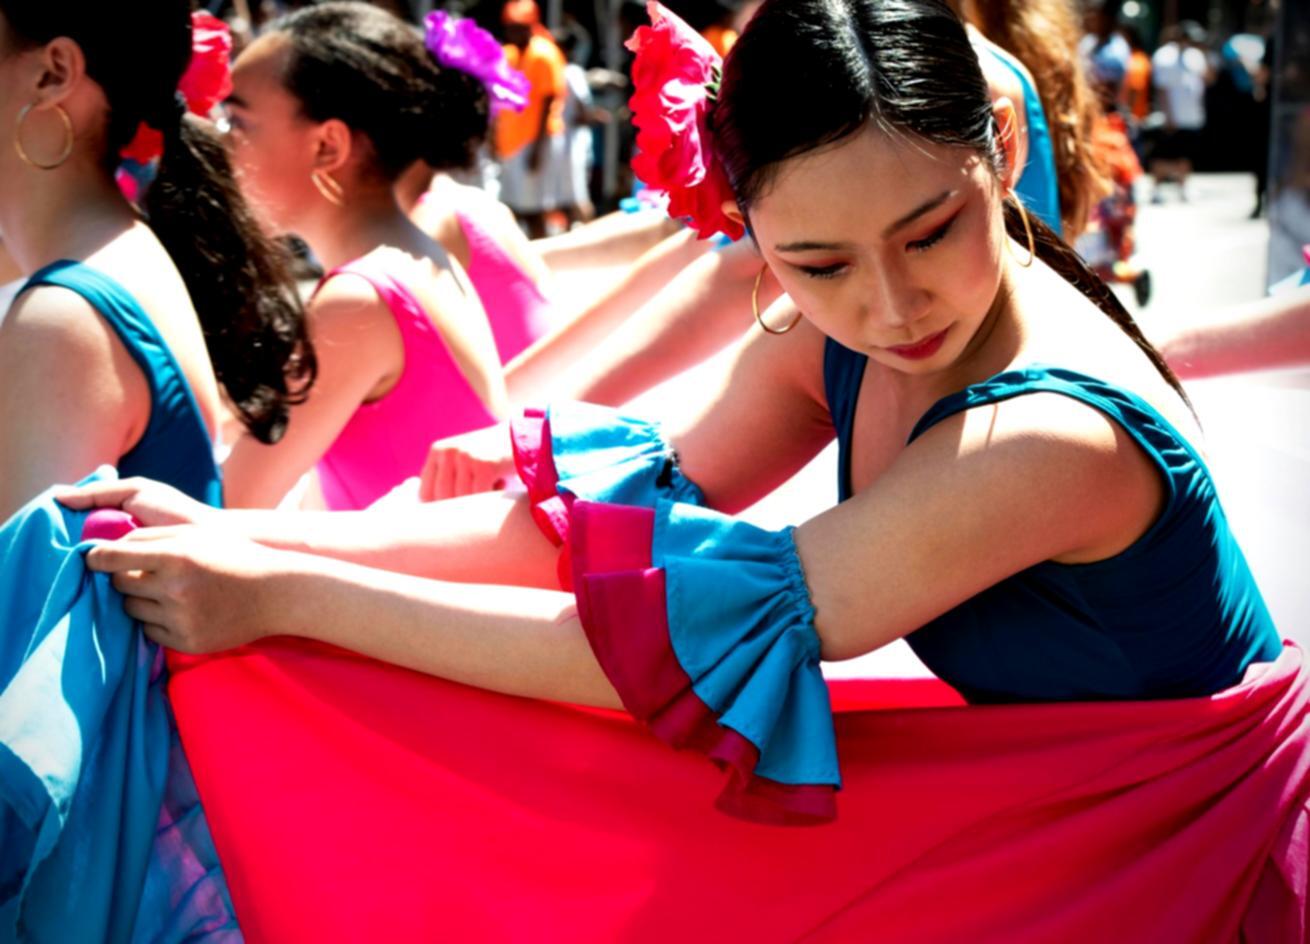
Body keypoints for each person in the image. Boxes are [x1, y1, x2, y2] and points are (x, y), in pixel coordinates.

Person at [61, 0, 1303, 937]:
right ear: (746, 234)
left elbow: (643, 649)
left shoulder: (1040, 441)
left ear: (1004, 148)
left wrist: (274, 593)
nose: (886, 301)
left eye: (932, 228)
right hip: (1070, 815)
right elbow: (597, 525)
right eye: (816, 260)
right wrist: (250, 537)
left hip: (1204, 855)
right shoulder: (832, 333)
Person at [0, 2, 312, 937]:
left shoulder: (63, 319)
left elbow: (11, 637)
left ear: (55, 73)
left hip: (91, 870)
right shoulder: (116, 259)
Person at [216, 2, 509, 510]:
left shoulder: (359, 301)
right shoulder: (417, 259)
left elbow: (222, 510)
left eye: (238, 123)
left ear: (328, 146)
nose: (222, 145)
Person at [496, 0, 567, 237]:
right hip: (511, 145)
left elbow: (549, 103)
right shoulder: (510, 53)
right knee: (513, 209)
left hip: (534, 143)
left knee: (534, 211)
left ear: (530, 27)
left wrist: (538, 148)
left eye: (517, 27)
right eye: (509, 27)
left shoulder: (544, 54)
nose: (511, 32)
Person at [1150, 21, 1210, 203]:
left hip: (1191, 116)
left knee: (1186, 155)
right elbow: (1161, 89)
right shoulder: (1164, 56)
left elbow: (1206, 78)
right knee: (1163, 155)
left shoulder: (1196, 55)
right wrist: (1168, 115)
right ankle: (1156, 189)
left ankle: (1183, 187)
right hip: (1172, 117)